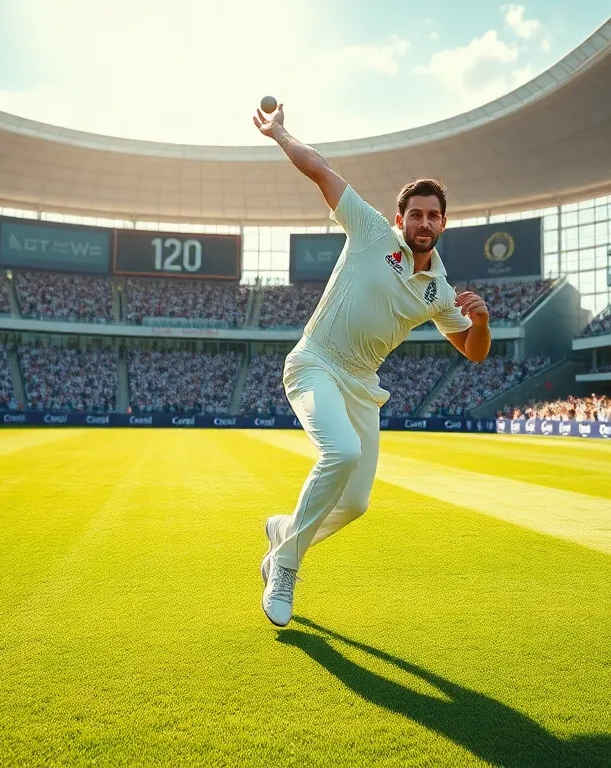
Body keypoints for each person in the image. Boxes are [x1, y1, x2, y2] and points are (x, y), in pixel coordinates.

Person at [253, 103, 492, 627]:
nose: (424, 222)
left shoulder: (439, 291)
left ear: (443, 223)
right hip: (315, 361)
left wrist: (481, 322)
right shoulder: (370, 231)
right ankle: (285, 567)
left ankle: (284, 529)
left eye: (433, 215)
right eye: (416, 214)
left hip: (361, 383)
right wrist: (280, 134)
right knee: (339, 452)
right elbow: (319, 168)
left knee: (356, 502)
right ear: (400, 217)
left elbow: (473, 353)